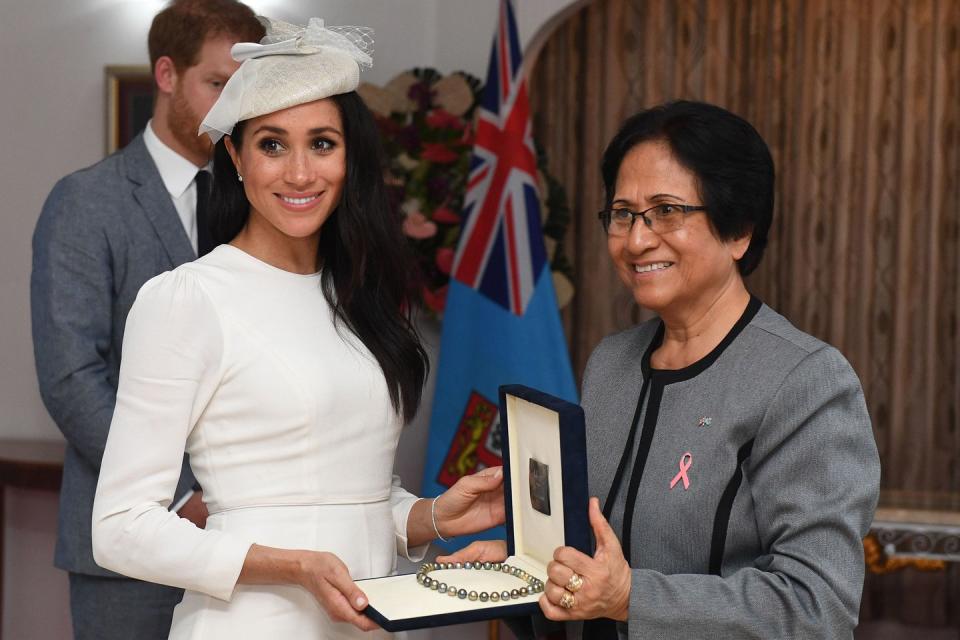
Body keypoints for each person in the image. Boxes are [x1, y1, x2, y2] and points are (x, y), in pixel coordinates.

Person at [91, 17, 505, 639]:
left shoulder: (358, 298)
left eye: (322, 143)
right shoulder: (188, 299)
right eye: (272, 144)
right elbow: (119, 527)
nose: (300, 174)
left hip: (366, 626)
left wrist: (429, 518)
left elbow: (344, 498)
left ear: (350, 155)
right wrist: (291, 566)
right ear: (234, 154)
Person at [441, 100, 881, 639]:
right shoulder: (611, 363)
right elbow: (593, 558)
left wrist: (633, 599)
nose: (636, 240)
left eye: (667, 211)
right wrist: (521, 570)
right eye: (622, 213)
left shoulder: (805, 381)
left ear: (739, 229)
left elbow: (818, 609)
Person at [30, 2, 263, 638]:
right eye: (218, 83)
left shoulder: (262, 200)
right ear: (166, 73)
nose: (231, 106)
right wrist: (184, 495)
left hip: (250, 538)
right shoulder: (87, 201)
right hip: (127, 542)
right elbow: (72, 376)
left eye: (245, 88)